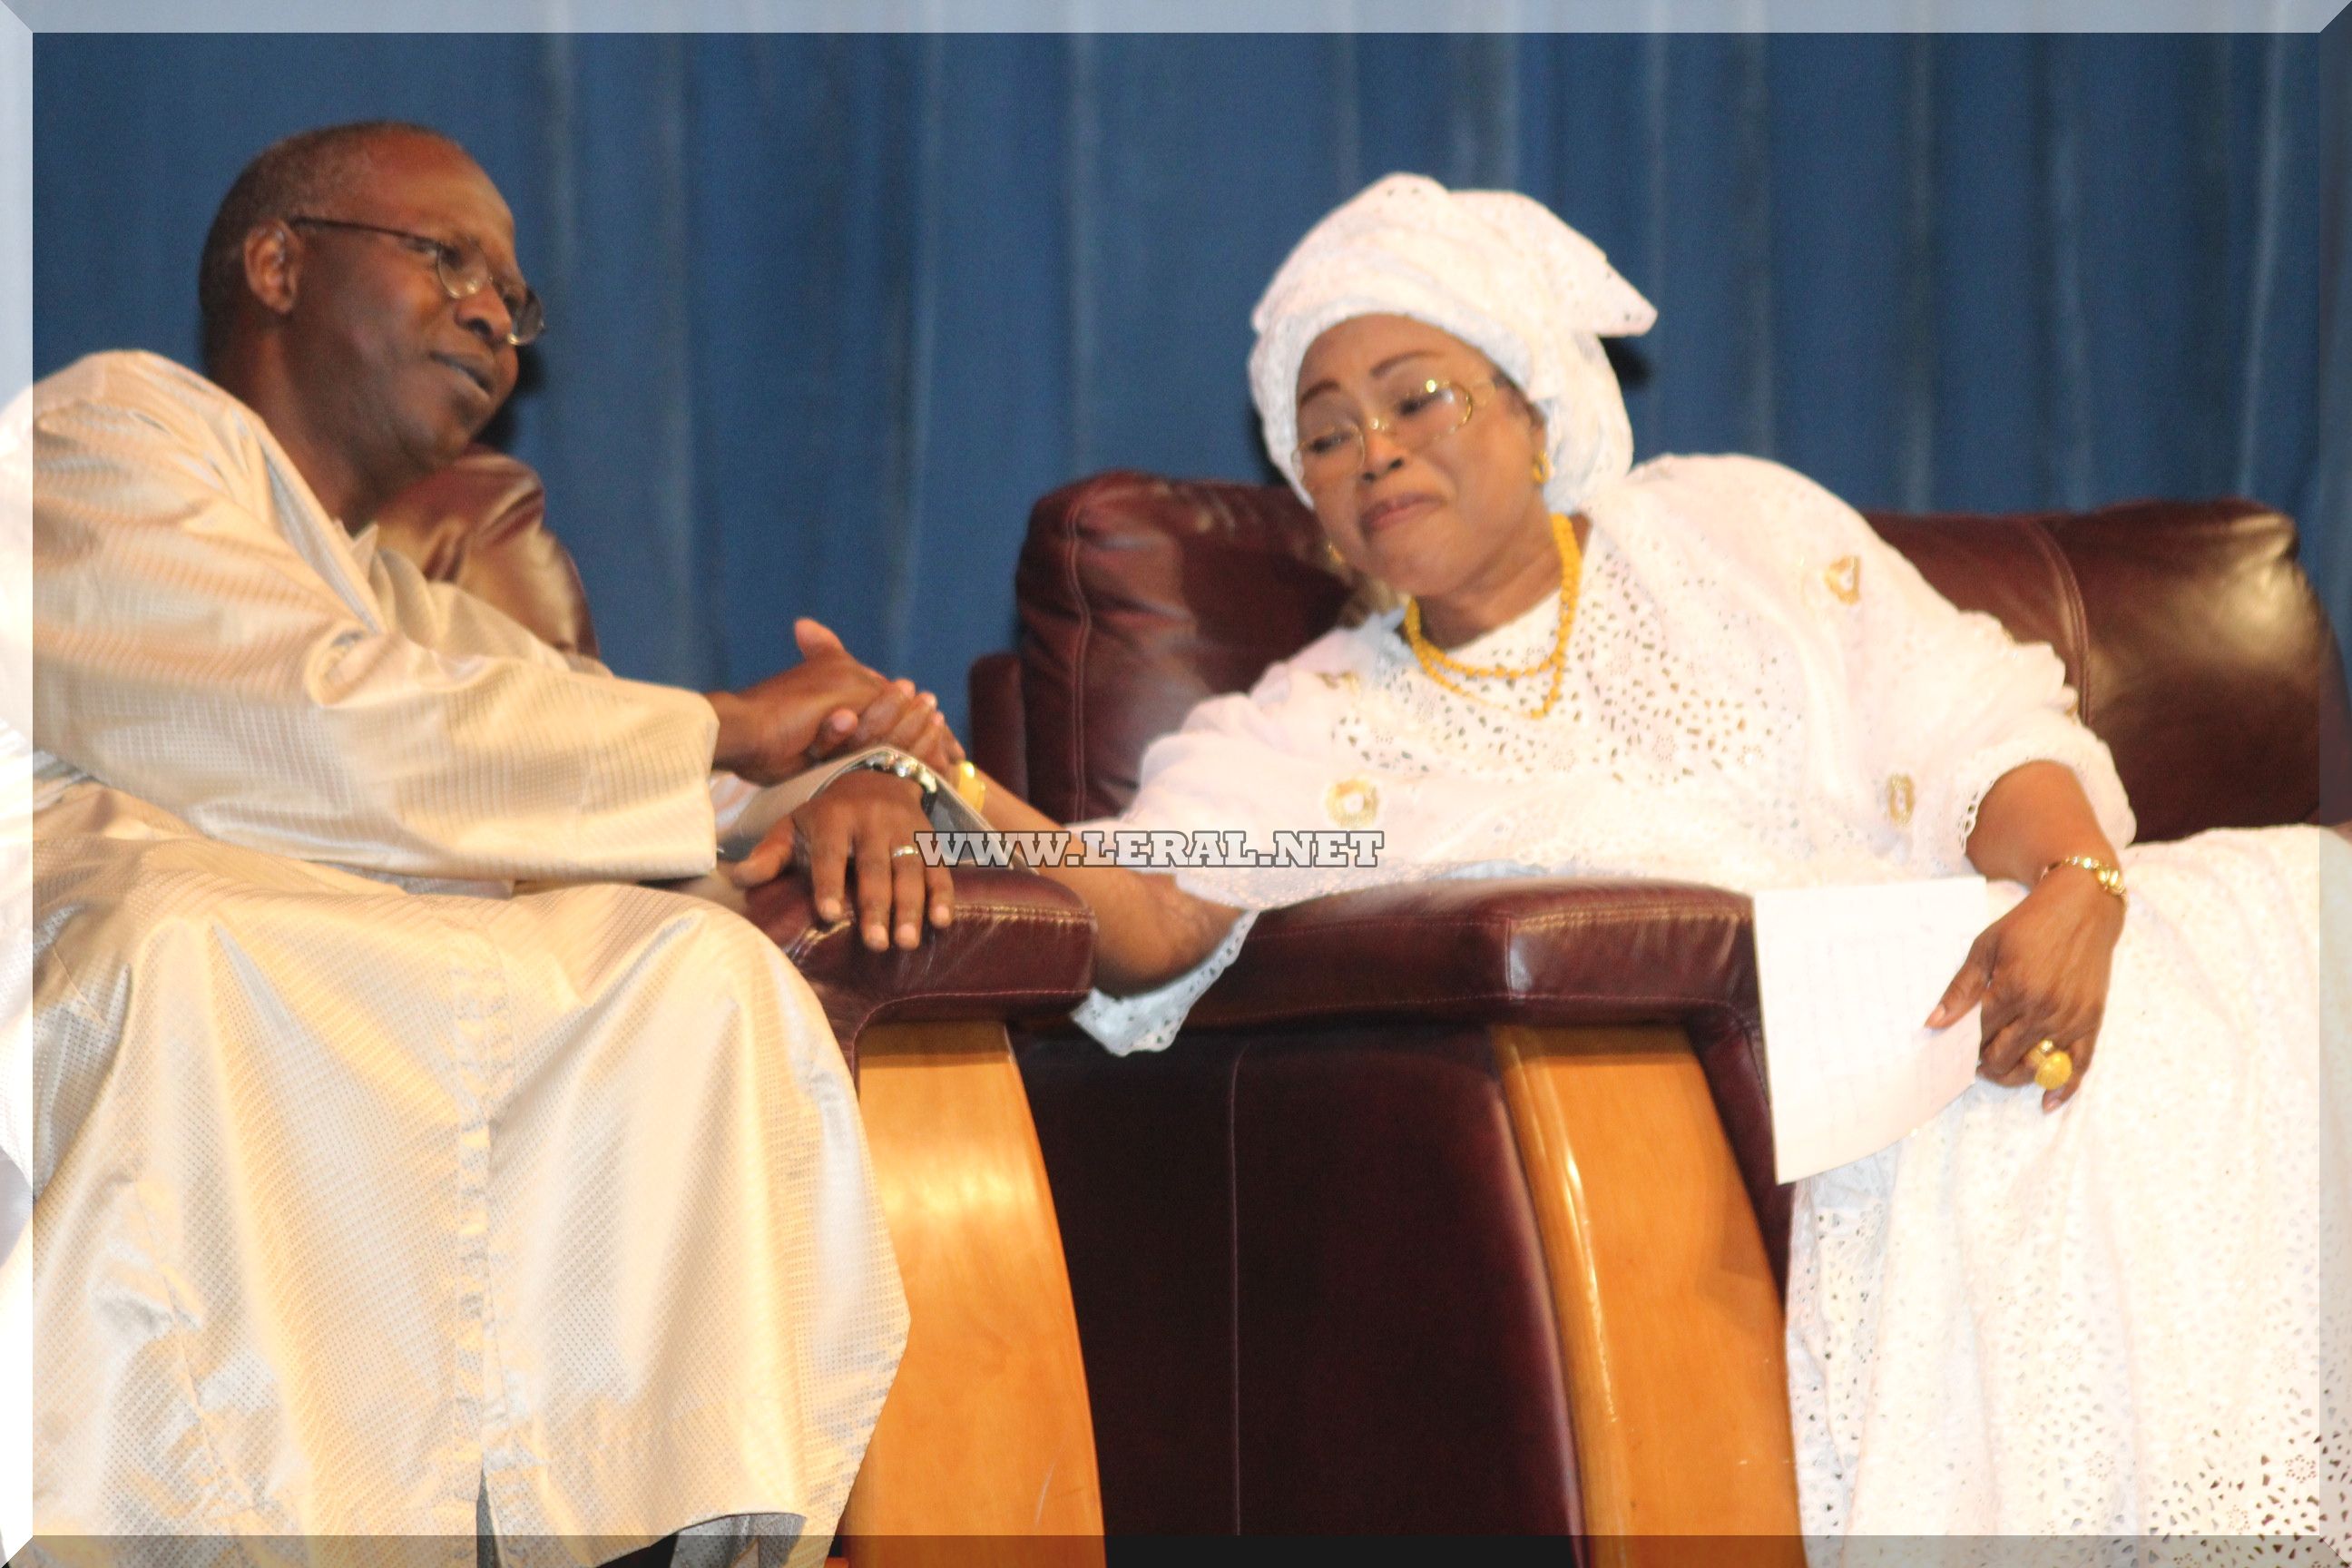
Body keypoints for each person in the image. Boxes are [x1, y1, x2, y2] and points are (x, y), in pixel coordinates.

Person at [971, 173, 2350, 1548]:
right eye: (1324, 437)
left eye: (1415, 397)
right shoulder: (1318, 726)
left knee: (2285, 917)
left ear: (1533, 404)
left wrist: (2077, 888)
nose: (1372, 452)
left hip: (2001, 954)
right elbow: (1153, 897)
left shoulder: (1727, 533)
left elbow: (1972, 721)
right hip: (1809, 1087)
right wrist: (944, 786)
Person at [10, 121, 965, 1563]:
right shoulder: (104, 442)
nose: (491, 316)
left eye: (513, 300)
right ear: (276, 263)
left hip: (358, 967)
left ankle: (652, 1525)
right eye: (444, 259)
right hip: (135, 940)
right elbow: (307, 727)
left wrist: (863, 773)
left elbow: (589, 763)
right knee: (205, 953)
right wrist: (728, 727)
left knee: (694, 974)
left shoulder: (421, 612)